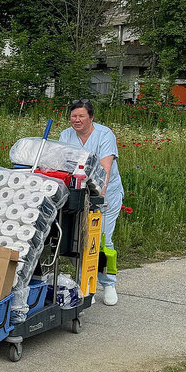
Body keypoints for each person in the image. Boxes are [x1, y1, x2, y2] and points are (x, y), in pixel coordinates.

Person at [58, 98, 124, 306]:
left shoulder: (105, 135)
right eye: (73, 116)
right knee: (80, 240)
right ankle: (86, 284)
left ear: (91, 118)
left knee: (102, 239)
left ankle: (109, 283)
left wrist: (98, 197)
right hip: (78, 194)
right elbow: (61, 165)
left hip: (105, 195)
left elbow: (104, 168)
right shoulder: (66, 135)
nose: (76, 120)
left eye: (81, 116)